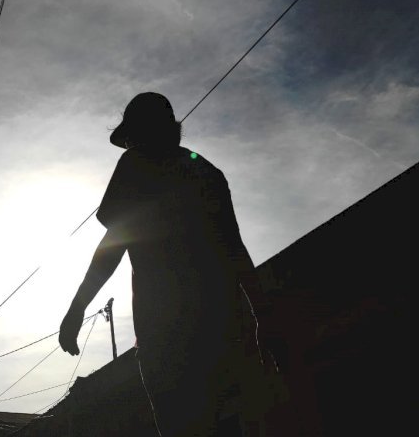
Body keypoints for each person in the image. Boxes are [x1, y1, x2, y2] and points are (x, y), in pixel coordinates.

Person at [59, 92, 270, 436]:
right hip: (226, 324)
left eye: (132, 137)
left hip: (167, 333)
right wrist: (263, 316)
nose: (130, 144)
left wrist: (78, 306)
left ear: (143, 132)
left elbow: (115, 241)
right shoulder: (207, 172)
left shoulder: (136, 165)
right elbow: (235, 249)